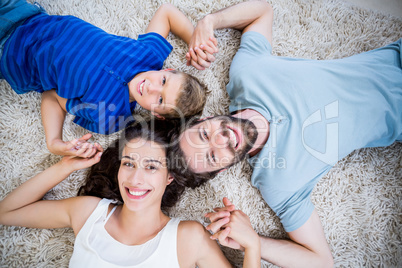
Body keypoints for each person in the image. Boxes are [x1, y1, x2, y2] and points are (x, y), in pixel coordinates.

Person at [170, 0, 402, 267]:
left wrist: (209, 21)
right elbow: (321, 262)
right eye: (212, 157)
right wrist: (253, 241)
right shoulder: (278, 182)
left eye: (204, 135)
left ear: (206, 118)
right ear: (222, 170)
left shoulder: (247, 74)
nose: (221, 140)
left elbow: (262, 11)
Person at [0, 119, 261, 267]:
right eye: (129, 163)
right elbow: (6, 212)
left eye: (151, 166)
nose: (136, 179)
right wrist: (65, 166)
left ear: (169, 176)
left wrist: (253, 246)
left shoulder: (189, 238)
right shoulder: (88, 213)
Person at [0, 0, 215, 157]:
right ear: (167, 70)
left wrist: (54, 141)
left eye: (160, 100)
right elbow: (167, 12)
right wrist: (196, 43)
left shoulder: (108, 117)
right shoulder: (149, 56)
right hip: (28, 16)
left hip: (12, 57)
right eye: (164, 82)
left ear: (156, 115)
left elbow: (52, 96)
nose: (152, 88)